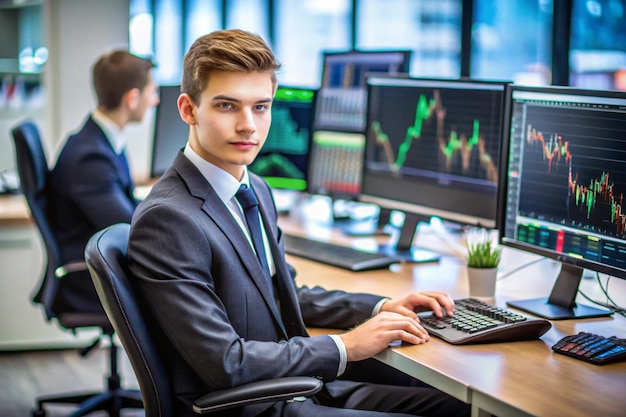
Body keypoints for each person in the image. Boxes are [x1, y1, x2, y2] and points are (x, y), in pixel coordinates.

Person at [127, 29, 470, 417]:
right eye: (227, 106)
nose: (249, 126)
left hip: (296, 386)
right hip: (251, 406)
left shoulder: (253, 188)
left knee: (456, 405)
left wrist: (380, 306)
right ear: (188, 109)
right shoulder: (170, 219)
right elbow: (225, 362)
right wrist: (347, 346)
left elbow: (283, 295)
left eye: (261, 106)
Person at [48, 50, 159, 313]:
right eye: (152, 92)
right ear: (132, 98)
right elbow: (130, 228)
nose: (155, 101)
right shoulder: (90, 158)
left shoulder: (102, 140)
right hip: (90, 280)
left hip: (102, 266)